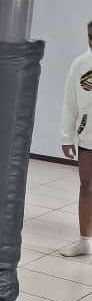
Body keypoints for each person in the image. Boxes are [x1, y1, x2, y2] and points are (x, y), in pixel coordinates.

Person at [60, 20, 92, 257]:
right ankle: (85, 240)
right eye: (91, 36)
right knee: (86, 186)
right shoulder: (80, 64)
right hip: (87, 138)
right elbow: (70, 103)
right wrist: (66, 136)